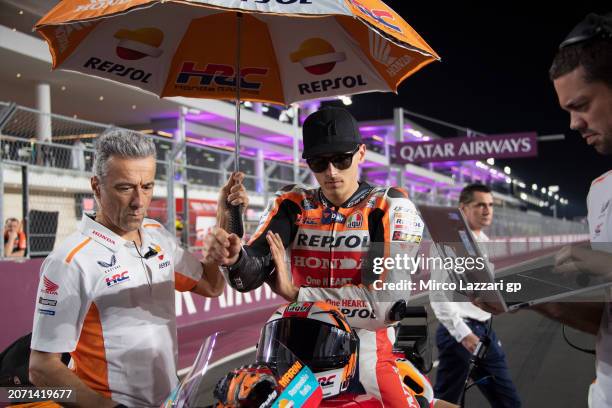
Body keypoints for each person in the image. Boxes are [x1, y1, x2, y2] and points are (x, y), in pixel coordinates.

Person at [205, 107, 430, 408]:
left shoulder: (391, 206)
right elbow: (249, 275)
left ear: (361, 154)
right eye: (319, 162)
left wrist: (299, 294)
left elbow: (386, 305)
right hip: (295, 357)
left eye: (341, 159)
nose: (331, 171)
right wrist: (234, 256)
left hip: (368, 356)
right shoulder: (292, 203)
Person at [28, 129, 231, 407]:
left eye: (147, 186)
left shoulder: (157, 233)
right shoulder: (70, 261)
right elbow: (41, 367)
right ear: (97, 187)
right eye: (125, 188)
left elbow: (211, 286)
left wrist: (224, 221)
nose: (139, 202)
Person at [475, 12, 612, 408]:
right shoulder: (601, 192)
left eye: (581, 104)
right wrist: (527, 295)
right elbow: (604, 323)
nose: (573, 123)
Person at [429, 184, 521, 407]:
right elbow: (438, 294)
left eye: (490, 205)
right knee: (447, 402)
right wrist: (464, 335)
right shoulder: (447, 242)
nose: (487, 210)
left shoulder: (486, 243)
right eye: (480, 205)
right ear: (462, 209)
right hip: (459, 334)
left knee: (508, 401)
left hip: (485, 330)